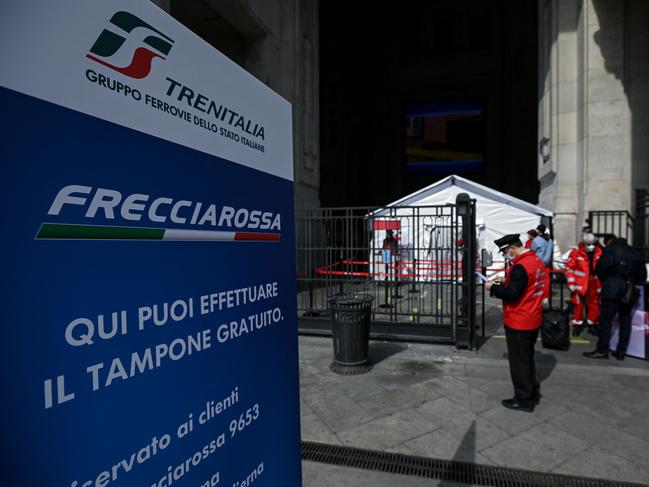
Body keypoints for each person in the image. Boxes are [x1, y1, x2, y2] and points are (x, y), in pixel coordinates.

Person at [486, 234, 546, 413]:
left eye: (505, 251)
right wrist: (506, 280)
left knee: (519, 362)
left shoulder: (520, 266)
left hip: (519, 319)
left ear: (512, 248)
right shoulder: (535, 260)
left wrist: (493, 288)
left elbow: (513, 294)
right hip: (533, 316)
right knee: (527, 359)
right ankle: (531, 391)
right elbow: (529, 284)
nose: (505, 255)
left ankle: (523, 399)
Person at [583, 234, 647, 360]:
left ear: (610, 242)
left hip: (612, 288)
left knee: (606, 321)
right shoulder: (635, 252)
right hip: (628, 290)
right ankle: (621, 352)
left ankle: (602, 350)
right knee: (625, 320)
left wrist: (607, 280)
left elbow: (600, 268)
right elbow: (642, 275)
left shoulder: (610, 251)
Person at [566, 233, 603, 336]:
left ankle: (593, 323)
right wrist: (571, 283)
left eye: (592, 244)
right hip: (579, 283)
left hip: (594, 282)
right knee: (578, 305)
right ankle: (577, 325)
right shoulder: (576, 253)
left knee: (594, 304)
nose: (590, 246)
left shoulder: (599, 252)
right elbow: (569, 269)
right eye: (588, 244)